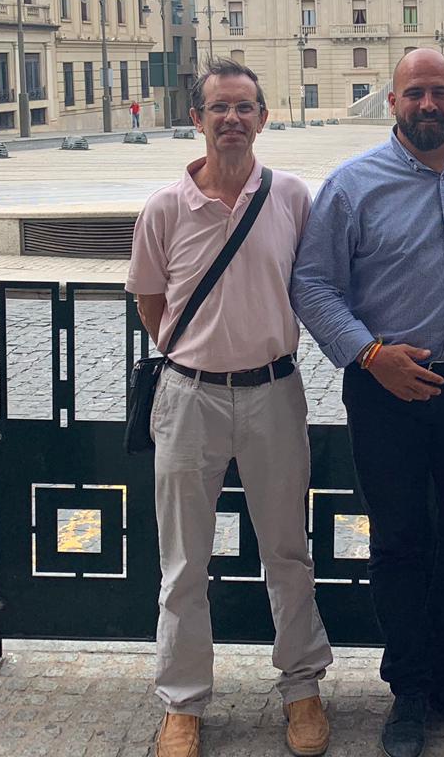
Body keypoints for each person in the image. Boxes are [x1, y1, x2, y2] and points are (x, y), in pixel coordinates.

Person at [291, 49, 444, 757]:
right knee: (398, 540)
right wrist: (368, 354)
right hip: (383, 385)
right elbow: (312, 283)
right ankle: (409, 688)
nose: (428, 104)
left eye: (440, 92)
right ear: (392, 101)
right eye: (414, 92)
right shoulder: (352, 186)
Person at [127, 58, 333, 757]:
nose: (232, 120)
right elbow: (151, 302)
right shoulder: (165, 208)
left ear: (263, 118)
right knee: (185, 561)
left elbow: (315, 284)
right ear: (197, 119)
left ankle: (301, 688)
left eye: (245, 107)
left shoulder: (292, 198)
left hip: (274, 392)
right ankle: (182, 702)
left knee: (287, 550)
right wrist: (194, 354)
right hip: (190, 397)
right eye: (219, 108)